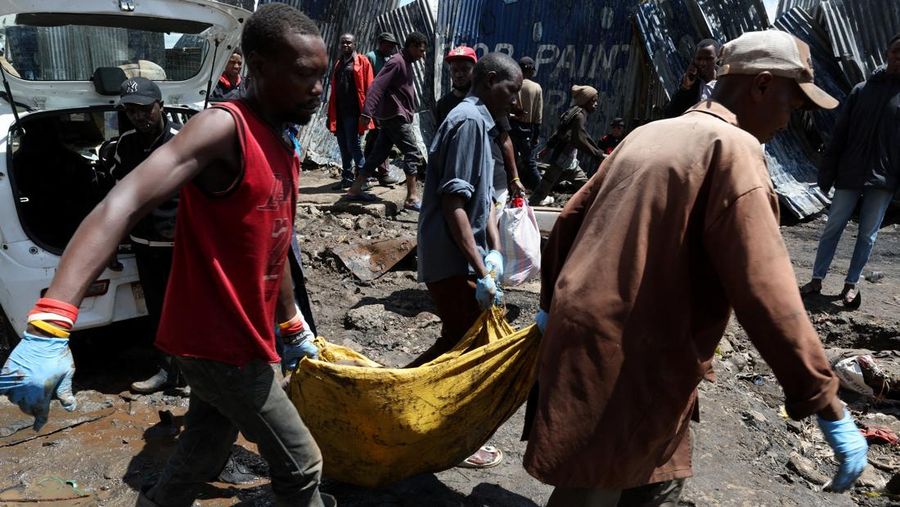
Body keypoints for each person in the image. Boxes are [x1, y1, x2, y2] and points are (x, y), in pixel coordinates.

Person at [0, 4, 335, 506]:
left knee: (204, 447)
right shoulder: (223, 128)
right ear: (260, 68)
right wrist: (52, 321)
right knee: (302, 465)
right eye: (304, 75)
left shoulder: (280, 139)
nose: (318, 89)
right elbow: (121, 203)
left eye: (322, 76)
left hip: (241, 336)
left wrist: (290, 324)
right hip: (219, 344)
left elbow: (274, 241)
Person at [524, 31, 867, 506]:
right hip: (632, 349)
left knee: (647, 473)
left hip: (587, 327)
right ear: (762, 86)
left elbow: (566, 224)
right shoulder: (735, 151)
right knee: (595, 484)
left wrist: (548, 310)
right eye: (792, 105)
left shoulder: (650, 132)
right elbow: (764, 290)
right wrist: (823, 398)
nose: (789, 122)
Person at [416, 51, 523, 467]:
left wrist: (493, 251)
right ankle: (435, 425)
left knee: (457, 341)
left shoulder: (485, 124)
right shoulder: (466, 123)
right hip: (450, 255)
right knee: (463, 344)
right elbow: (453, 204)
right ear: (490, 79)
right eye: (511, 90)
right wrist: (480, 268)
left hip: (467, 254)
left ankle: (413, 410)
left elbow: (486, 203)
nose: (516, 101)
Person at [799, 34, 900, 308]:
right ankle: (816, 279)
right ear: (887, 53)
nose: (898, 58)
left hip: (884, 179)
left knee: (868, 234)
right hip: (851, 171)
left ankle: (851, 284)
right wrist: (827, 172)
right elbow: (840, 134)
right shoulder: (862, 90)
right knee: (833, 226)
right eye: (896, 51)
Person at [107, 77, 183, 394]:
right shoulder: (126, 144)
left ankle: (194, 376)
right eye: (132, 111)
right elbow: (114, 195)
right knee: (157, 310)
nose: (139, 116)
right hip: (143, 244)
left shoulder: (183, 140)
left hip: (180, 246)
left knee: (185, 312)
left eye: (145, 109)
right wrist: (111, 242)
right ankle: (167, 370)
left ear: (160, 106)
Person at [345, 32, 428, 211]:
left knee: (378, 155)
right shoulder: (397, 62)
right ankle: (412, 198)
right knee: (412, 152)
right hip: (395, 117)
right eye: (420, 50)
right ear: (411, 46)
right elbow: (377, 85)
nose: (422, 55)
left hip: (393, 117)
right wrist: (367, 113)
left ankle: (354, 189)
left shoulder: (405, 62)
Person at [433, 46, 524, 204]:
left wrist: (514, 177)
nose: (459, 74)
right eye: (454, 70)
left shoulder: (492, 101)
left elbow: (504, 139)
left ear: (475, 71)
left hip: (494, 178)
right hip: (460, 178)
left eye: (465, 69)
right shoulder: (445, 105)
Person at [528, 85, 603, 206]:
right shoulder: (579, 115)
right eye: (593, 101)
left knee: (586, 187)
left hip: (569, 162)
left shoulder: (574, 112)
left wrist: (547, 148)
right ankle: (525, 211)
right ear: (585, 100)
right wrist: (597, 155)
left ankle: (590, 210)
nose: (595, 104)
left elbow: (561, 132)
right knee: (543, 190)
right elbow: (579, 138)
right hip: (561, 161)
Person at [326, 33, 374, 190]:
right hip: (339, 112)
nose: (345, 45)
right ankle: (347, 178)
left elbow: (370, 88)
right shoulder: (339, 63)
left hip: (355, 113)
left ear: (355, 44)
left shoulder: (362, 62)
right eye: (343, 43)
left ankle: (364, 179)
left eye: (348, 43)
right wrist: (329, 114)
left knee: (353, 146)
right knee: (343, 145)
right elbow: (334, 91)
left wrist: (367, 112)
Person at [363, 32, 401, 184]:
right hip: (374, 105)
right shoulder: (370, 57)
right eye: (389, 44)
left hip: (385, 105)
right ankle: (377, 173)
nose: (392, 48)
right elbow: (366, 83)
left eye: (393, 45)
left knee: (379, 137)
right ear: (381, 43)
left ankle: (375, 172)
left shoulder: (389, 59)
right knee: (377, 138)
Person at [510, 56, 543, 191]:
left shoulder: (512, 85)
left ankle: (511, 189)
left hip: (511, 127)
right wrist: (536, 136)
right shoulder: (536, 88)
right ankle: (540, 191)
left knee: (511, 160)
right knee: (530, 162)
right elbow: (538, 116)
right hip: (527, 129)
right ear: (532, 71)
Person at [664, 39, 720, 118]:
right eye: (699, 59)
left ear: (717, 58)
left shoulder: (724, 82)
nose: (702, 63)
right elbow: (671, 114)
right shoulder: (691, 82)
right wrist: (685, 88)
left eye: (708, 59)